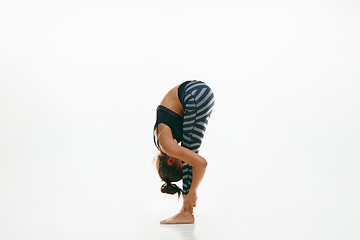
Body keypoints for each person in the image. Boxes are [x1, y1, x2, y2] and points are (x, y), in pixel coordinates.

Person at [153, 80, 215, 224]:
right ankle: (186, 212)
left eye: (179, 161)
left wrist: (192, 191)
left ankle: (186, 213)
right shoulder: (163, 139)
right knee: (190, 156)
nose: (181, 156)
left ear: (170, 160)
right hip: (198, 92)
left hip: (194, 95)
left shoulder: (167, 146)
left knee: (191, 162)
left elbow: (201, 163)